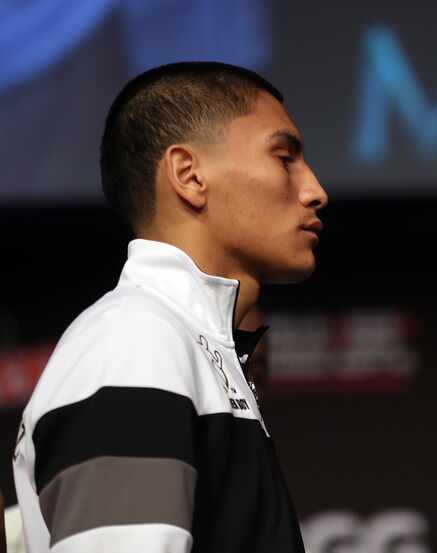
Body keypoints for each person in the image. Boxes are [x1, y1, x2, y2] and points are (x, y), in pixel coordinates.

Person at [13, 61, 327, 553]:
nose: (315, 191)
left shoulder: (182, 343)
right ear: (189, 175)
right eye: (285, 158)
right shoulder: (135, 339)